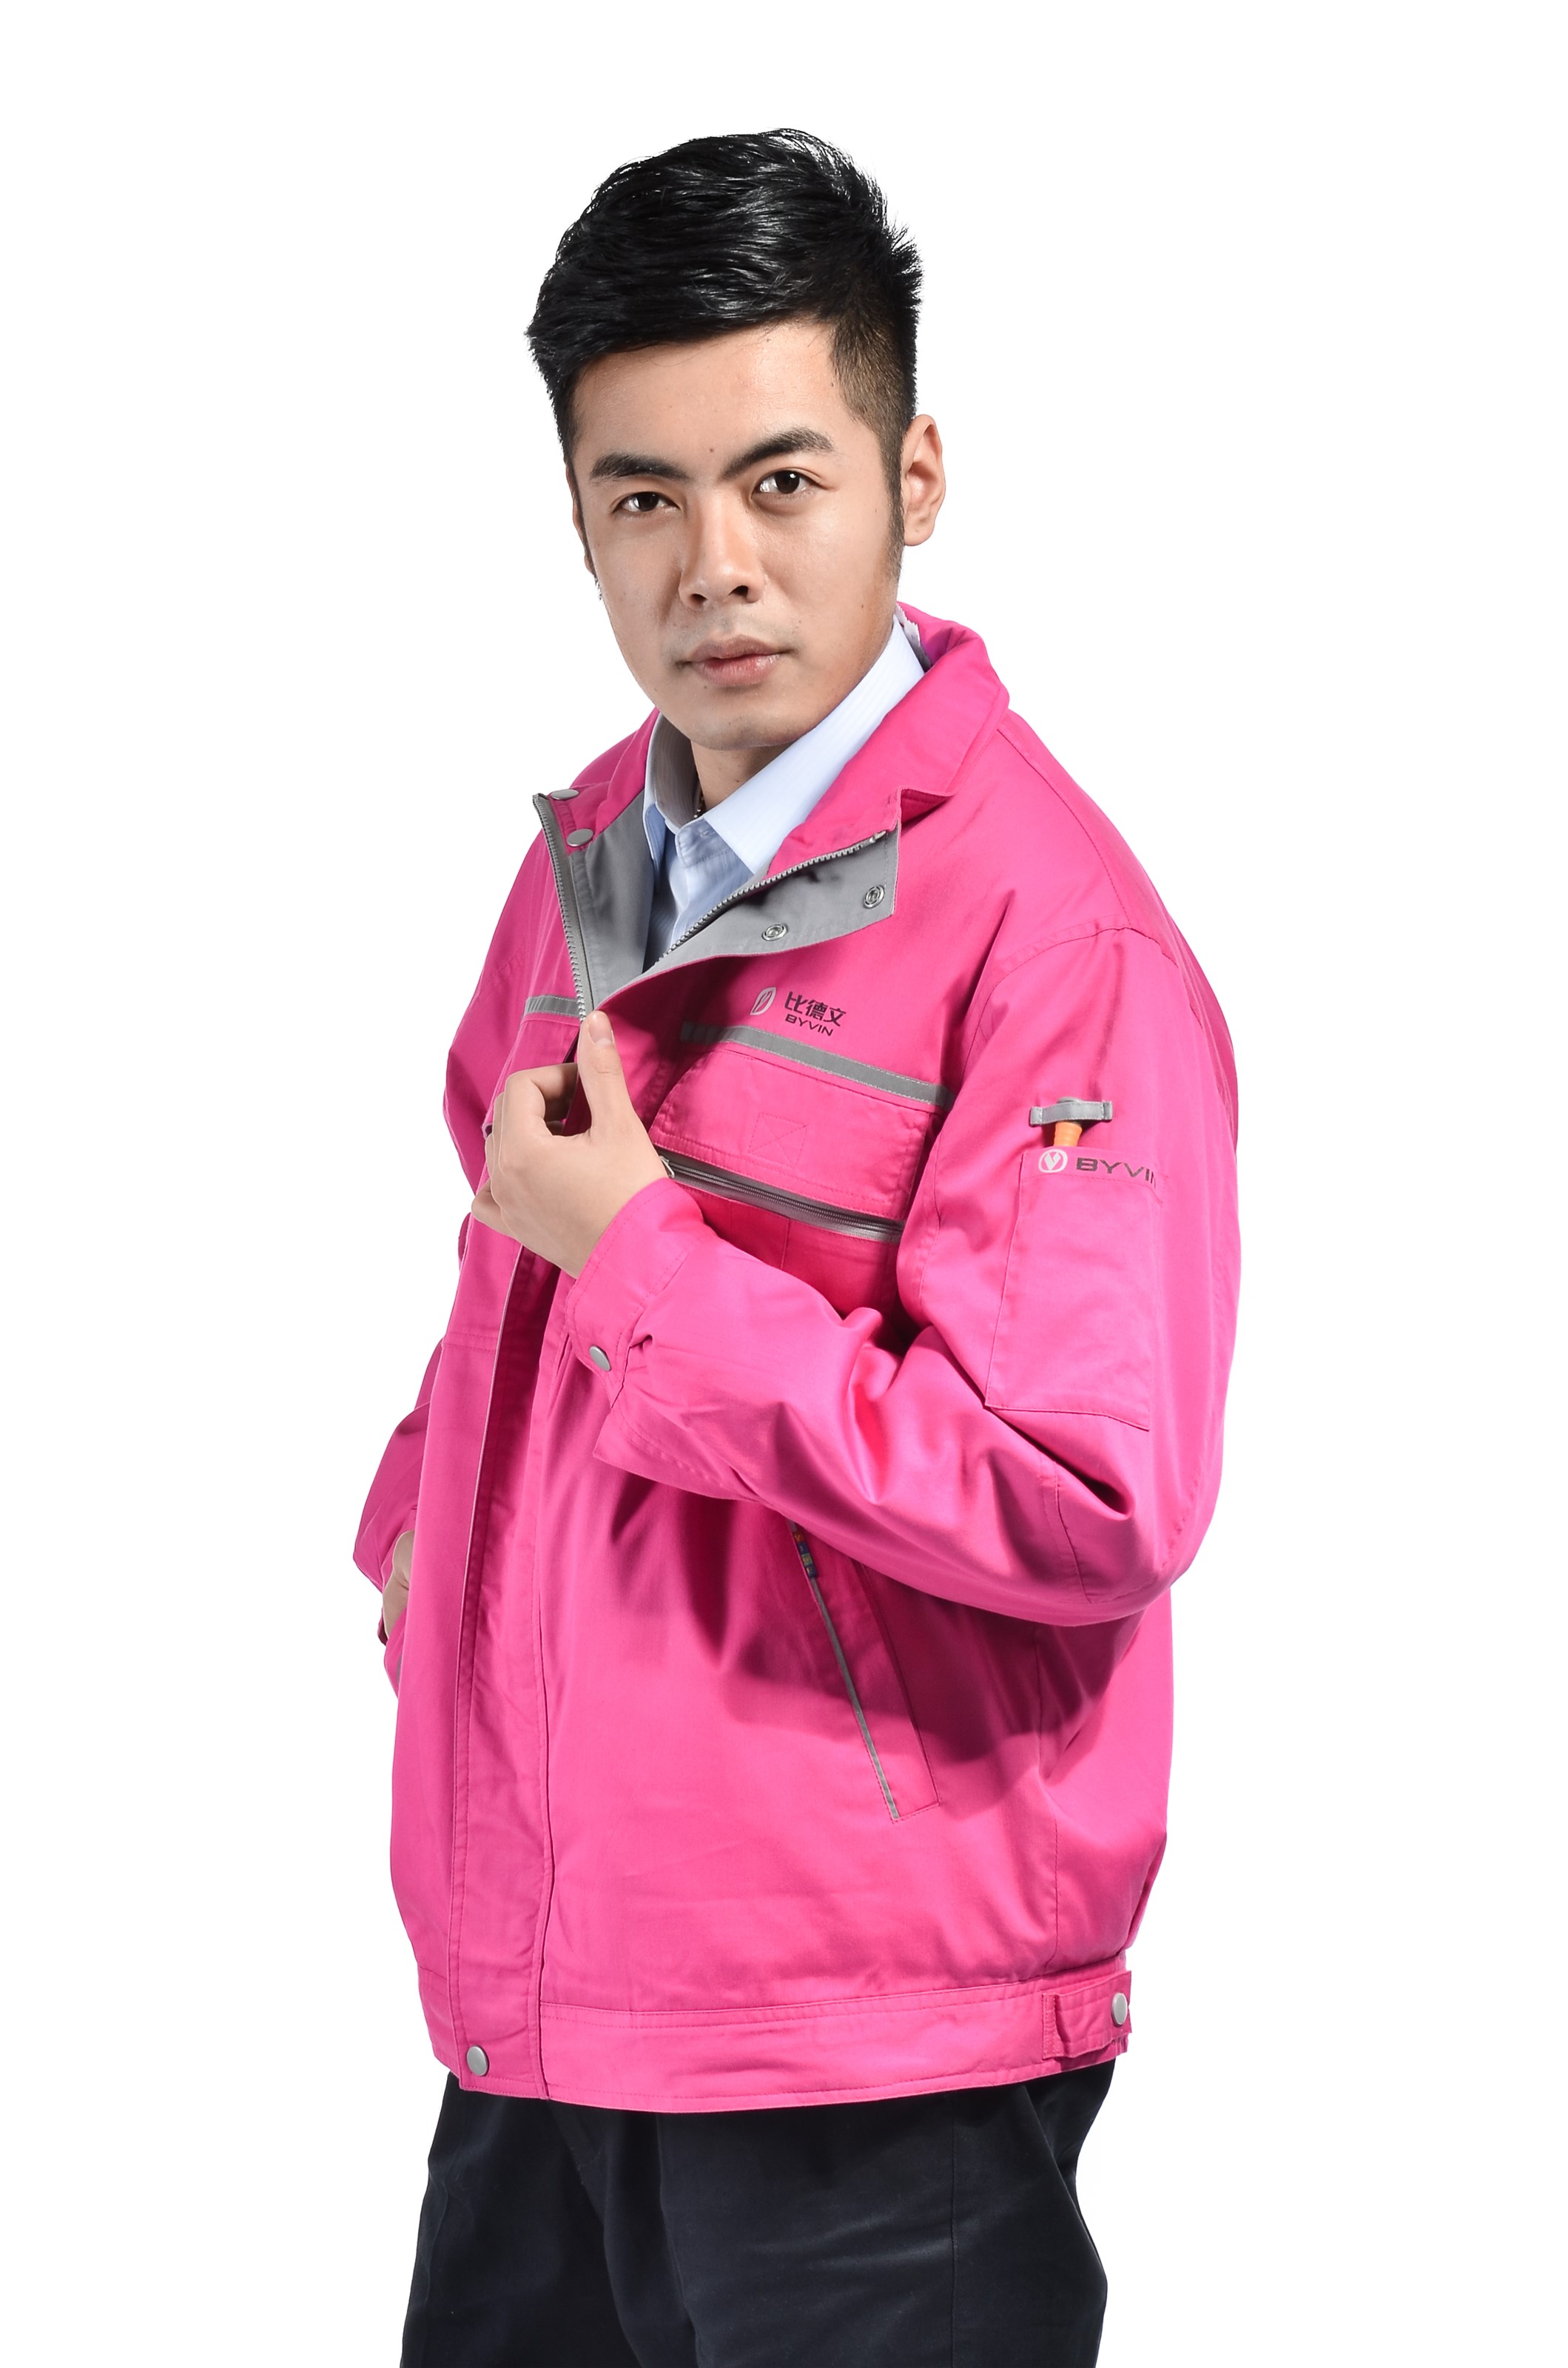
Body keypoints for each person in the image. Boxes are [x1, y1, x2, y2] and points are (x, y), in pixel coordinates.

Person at [357, 128, 1239, 2368]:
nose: (714, 568)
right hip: (551, 2002)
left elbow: (1088, 1493)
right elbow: (507, 1279)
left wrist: (647, 1258)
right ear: (577, 521)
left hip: (872, 2065)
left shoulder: (1062, 946)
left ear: (913, 476)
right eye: (643, 498)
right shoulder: (593, 852)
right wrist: (417, 1532)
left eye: (781, 481)